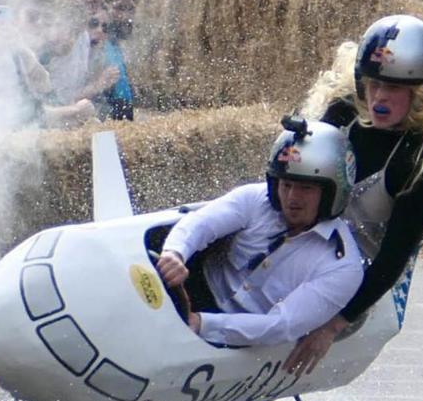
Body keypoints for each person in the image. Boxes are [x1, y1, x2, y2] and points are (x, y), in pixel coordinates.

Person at [281, 14, 423, 375]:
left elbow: (392, 258)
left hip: (350, 279)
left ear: (421, 93)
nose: (381, 98)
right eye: (374, 85)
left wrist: (332, 326)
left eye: (396, 89)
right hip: (300, 246)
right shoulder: (341, 115)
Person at [155, 119, 363, 348]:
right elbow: (200, 223)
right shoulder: (255, 198)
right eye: (286, 185)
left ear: (331, 194)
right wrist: (175, 253)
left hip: (240, 335)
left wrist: (202, 323)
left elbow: (282, 325)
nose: (292, 198)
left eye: (306, 188)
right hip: (195, 285)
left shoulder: (343, 266)